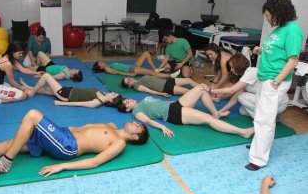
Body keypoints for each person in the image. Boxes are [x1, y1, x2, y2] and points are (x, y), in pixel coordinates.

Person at [0, 109, 149, 176]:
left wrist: (63, 167)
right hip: (62, 133)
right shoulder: (111, 125)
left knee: (32, 115)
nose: (136, 123)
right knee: (12, 143)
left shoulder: (119, 143)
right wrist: (55, 130)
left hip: (67, 146)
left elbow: (95, 162)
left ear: (135, 137)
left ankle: (5, 163)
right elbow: (79, 127)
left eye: (139, 127)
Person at [245, 0, 303, 171]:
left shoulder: (292, 30)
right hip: (266, 78)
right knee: (260, 115)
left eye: (269, 15)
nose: (268, 18)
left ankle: (258, 159)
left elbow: (292, 60)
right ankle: (258, 146)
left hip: (274, 81)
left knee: (265, 120)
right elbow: (277, 51)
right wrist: (260, 50)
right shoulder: (280, 29)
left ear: (279, 13)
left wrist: (276, 82)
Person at [117, 84, 254, 138]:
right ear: (127, 109)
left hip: (175, 105)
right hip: (174, 115)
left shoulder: (143, 100)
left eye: (127, 99)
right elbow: (147, 121)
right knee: (208, 120)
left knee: (201, 88)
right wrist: (163, 127)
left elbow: (160, 103)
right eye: (126, 103)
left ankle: (216, 113)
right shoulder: (136, 112)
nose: (128, 100)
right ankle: (243, 132)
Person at [211, 67, 288, 118]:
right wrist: (220, 111)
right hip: (266, 99)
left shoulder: (251, 72)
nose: (231, 70)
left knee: (241, 97)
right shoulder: (244, 78)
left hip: (278, 102)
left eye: (232, 67)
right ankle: (270, 115)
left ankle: (267, 118)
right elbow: (234, 99)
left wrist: (211, 90)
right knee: (242, 110)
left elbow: (232, 90)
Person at [0, 41, 40, 105]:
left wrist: (36, 73)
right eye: (20, 53)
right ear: (13, 52)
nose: (21, 55)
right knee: (23, 95)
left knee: (17, 88)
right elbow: (12, 81)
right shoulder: (7, 63)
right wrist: (23, 89)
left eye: (22, 53)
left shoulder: (7, 56)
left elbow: (23, 69)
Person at [20, 73, 123, 108]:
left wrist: (61, 103)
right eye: (114, 92)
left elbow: (79, 104)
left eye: (114, 95)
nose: (113, 92)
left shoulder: (97, 102)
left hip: (65, 95)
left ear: (111, 101)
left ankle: (32, 92)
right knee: (45, 90)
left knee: (46, 76)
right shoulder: (103, 94)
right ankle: (28, 87)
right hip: (67, 90)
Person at [92, 51, 176, 78]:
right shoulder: (108, 69)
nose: (102, 62)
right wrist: (130, 74)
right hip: (132, 69)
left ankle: (155, 68)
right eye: (100, 63)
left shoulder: (108, 66)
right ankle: (171, 76)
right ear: (100, 67)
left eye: (100, 61)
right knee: (152, 73)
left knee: (146, 53)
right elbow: (118, 72)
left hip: (132, 66)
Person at [120, 75, 199, 97]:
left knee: (188, 80)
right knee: (188, 91)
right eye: (128, 81)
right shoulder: (137, 86)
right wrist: (162, 94)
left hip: (167, 81)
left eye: (128, 78)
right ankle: (210, 96)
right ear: (129, 86)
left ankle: (208, 89)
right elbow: (149, 91)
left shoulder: (139, 79)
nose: (130, 79)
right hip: (165, 88)